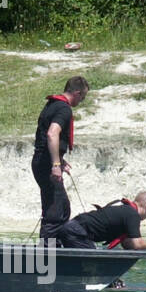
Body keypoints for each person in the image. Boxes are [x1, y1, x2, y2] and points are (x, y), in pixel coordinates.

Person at [32, 76, 88, 239]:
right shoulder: (64, 108)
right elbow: (52, 133)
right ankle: (48, 255)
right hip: (46, 165)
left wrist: (60, 160)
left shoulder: (51, 105)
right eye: (82, 98)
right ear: (77, 93)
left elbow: (43, 137)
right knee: (56, 212)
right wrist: (55, 164)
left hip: (40, 161)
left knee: (59, 206)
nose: (81, 101)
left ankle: (55, 247)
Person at [52, 191, 146, 250]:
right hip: (78, 232)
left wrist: (144, 244)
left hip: (71, 226)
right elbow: (137, 244)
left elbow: (128, 244)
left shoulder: (121, 205)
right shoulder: (133, 214)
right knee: (93, 264)